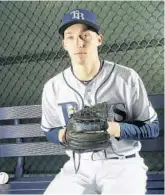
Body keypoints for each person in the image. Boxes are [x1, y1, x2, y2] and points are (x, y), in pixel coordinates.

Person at [41, 8, 159, 195]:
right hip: (78, 167)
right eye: (70, 37)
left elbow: (152, 128)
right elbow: (49, 130)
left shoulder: (126, 78)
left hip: (123, 165)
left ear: (99, 39)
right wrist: (63, 135)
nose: (78, 43)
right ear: (64, 44)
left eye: (85, 35)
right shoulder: (53, 87)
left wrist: (115, 129)